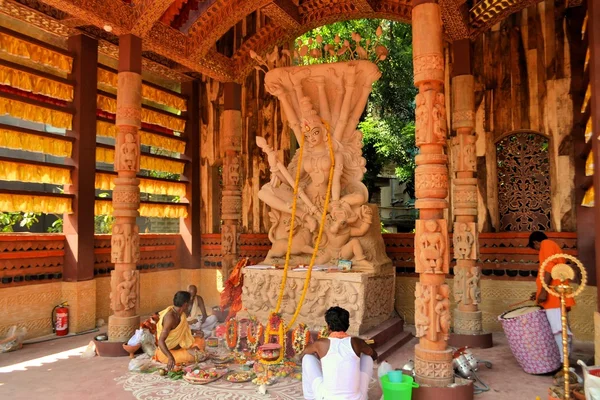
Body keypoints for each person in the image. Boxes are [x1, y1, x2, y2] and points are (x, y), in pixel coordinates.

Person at [300, 306, 376, 400]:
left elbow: (304, 353)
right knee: (367, 356)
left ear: (328, 326)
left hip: (326, 398)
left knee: (307, 357)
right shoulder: (356, 342)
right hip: (357, 398)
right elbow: (374, 355)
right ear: (347, 325)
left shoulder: (321, 343)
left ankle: (310, 397)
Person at [528, 231, 576, 362]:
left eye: (535, 248)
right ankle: (566, 360)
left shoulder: (546, 244)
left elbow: (550, 268)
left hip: (553, 297)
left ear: (536, 242)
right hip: (555, 293)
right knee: (563, 327)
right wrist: (538, 292)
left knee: (558, 329)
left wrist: (543, 292)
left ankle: (564, 363)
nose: (537, 250)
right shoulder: (551, 245)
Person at [155, 291, 205, 370]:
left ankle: (190, 351)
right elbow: (161, 341)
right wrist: (170, 358)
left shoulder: (181, 314)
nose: (189, 305)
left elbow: (182, 331)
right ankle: (188, 353)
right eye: (189, 303)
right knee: (194, 355)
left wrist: (194, 331)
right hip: (168, 352)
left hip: (181, 345)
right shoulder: (170, 318)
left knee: (201, 340)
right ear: (185, 304)